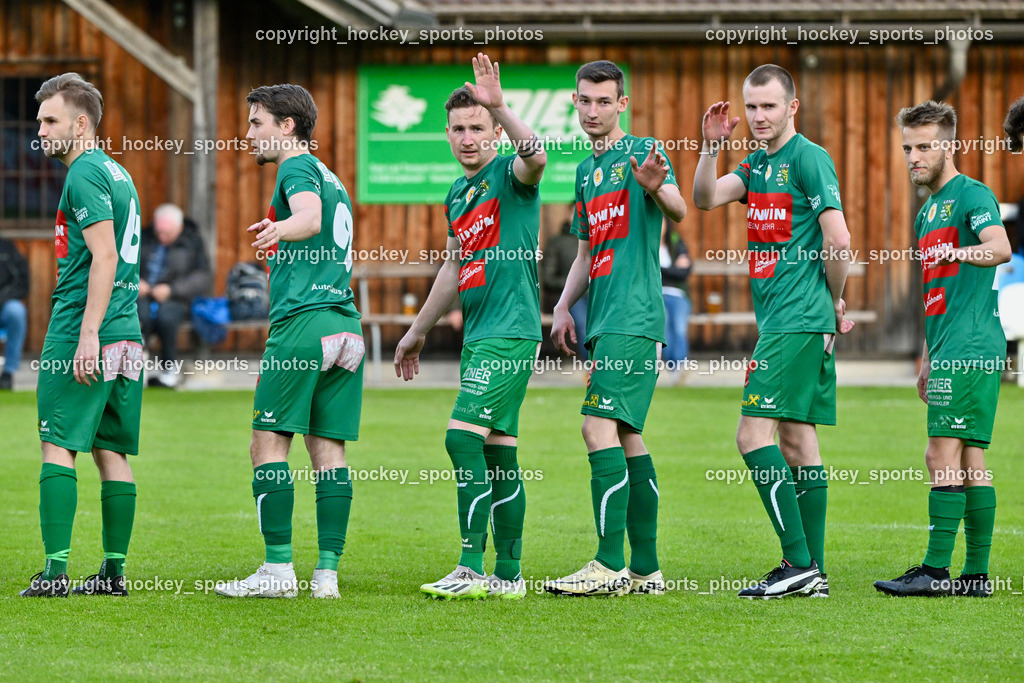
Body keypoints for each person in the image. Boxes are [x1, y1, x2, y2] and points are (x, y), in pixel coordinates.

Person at [692, 64, 854, 599]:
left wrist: (831, 302)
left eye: (769, 106)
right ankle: (814, 572)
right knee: (798, 441)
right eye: (752, 107)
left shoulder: (808, 157)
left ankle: (798, 562)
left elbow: (839, 241)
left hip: (795, 320)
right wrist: (709, 146)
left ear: (792, 107)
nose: (759, 117)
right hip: (790, 320)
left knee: (750, 435)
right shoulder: (757, 165)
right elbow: (705, 198)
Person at [395, 53, 546, 600]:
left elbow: (537, 157)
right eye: (458, 129)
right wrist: (417, 331)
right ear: (447, 133)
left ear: (494, 134)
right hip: (482, 332)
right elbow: (456, 266)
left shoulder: (511, 174)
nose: (467, 138)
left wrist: (500, 106)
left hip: (511, 330)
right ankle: (509, 575)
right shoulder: (457, 196)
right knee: (498, 450)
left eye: (477, 128)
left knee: (460, 439)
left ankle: (470, 566)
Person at [213, 84, 363, 600]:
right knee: (328, 451)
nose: (248, 132)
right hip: (345, 327)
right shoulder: (332, 178)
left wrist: (281, 230)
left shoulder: (296, 166)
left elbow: (311, 220)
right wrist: (285, 230)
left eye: (257, 122)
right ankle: (327, 576)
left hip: (303, 326)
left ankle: (278, 571)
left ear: (287, 127)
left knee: (267, 443)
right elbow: (322, 225)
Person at [545, 60, 687, 596]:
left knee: (595, 428)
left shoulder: (644, 151)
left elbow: (677, 209)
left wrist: (655, 187)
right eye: (585, 100)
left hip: (633, 315)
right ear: (575, 102)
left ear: (621, 104)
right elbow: (585, 253)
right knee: (627, 435)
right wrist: (562, 307)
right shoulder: (585, 171)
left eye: (605, 101)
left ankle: (607, 566)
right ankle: (646, 571)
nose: (594, 110)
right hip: (603, 319)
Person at [874, 101, 1011, 597]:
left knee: (939, 455)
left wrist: (961, 250)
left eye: (926, 146)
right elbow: (937, 292)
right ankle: (975, 577)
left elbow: (999, 248)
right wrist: (928, 357)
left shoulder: (971, 194)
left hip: (971, 344)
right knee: (971, 457)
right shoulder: (926, 212)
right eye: (908, 147)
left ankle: (934, 572)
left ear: (949, 146)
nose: (914, 156)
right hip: (952, 346)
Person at [23, 72, 143, 597]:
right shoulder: (119, 173)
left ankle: (54, 573)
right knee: (110, 450)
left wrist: (87, 333)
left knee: (57, 443)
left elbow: (106, 256)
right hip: (129, 332)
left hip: (83, 325)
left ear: (81, 122)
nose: (41, 132)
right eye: (39, 121)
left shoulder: (84, 173)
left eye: (50, 121)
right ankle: (112, 572)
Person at [137, 203, 212, 387]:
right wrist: (134, 282)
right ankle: (135, 369)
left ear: (179, 228)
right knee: (139, 316)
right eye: (159, 232)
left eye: (167, 234)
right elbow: (124, 265)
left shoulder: (192, 242)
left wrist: (172, 290)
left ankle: (168, 370)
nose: (162, 237)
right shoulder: (143, 237)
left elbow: (202, 277)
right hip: (142, 296)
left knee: (166, 318)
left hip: (177, 298)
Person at [542, 207, 587, 361]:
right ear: (568, 215)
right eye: (575, 212)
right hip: (570, 295)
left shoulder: (598, 239)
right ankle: (593, 364)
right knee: (583, 324)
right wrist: (576, 283)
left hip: (596, 293)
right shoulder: (558, 242)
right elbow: (548, 278)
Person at [660, 219, 692, 381]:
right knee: (663, 328)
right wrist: (672, 270)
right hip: (656, 295)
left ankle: (678, 366)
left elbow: (684, 272)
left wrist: (659, 270)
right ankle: (673, 366)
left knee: (679, 328)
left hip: (677, 294)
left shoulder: (675, 242)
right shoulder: (645, 244)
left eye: (662, 223)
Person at [0, 237, 29, 390]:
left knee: (16, 311)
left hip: (4, 305)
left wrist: (3, 298)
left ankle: (8, 373)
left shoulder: (7, 248)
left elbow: (23, 283)